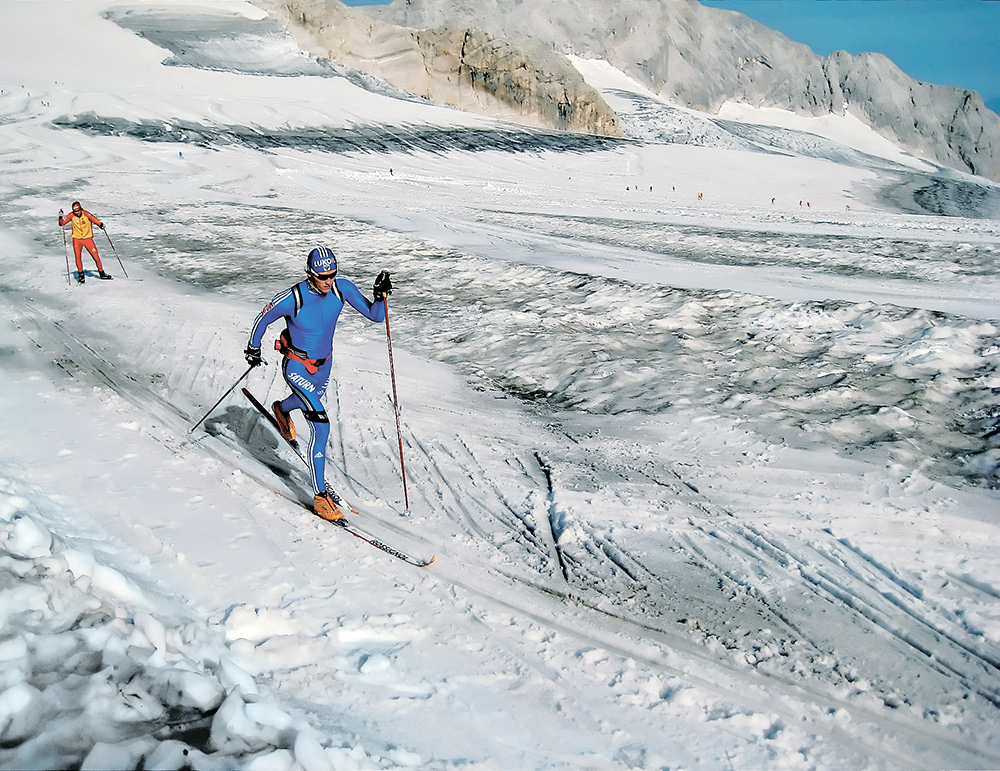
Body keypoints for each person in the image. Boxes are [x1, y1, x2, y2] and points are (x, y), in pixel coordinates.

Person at [244, 246, 392, 521]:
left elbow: (375, 315)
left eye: (332, 274)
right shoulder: (294, 297)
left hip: (324, 366)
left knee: (305, 401)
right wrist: (253, 348)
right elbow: (262, 318)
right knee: (320, 425)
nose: (328, 281)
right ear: (310, 274)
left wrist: (380, 296)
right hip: (297, 366)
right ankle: (320, 496)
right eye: (323, 276)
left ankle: (282, 410)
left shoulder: (342, 289)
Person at [59, 201, 112, 283]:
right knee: (78, 257)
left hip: (88, 239)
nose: (76, 213)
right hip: (77, 240)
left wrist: (101, 225)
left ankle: (102, 273)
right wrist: (60, 217)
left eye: (78, 210)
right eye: (75, 211)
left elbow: (95, 220)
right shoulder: (71, 215)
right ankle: (81, 275)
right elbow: (62, 223)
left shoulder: (86, 214)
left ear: (81, 209)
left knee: (96, 257)